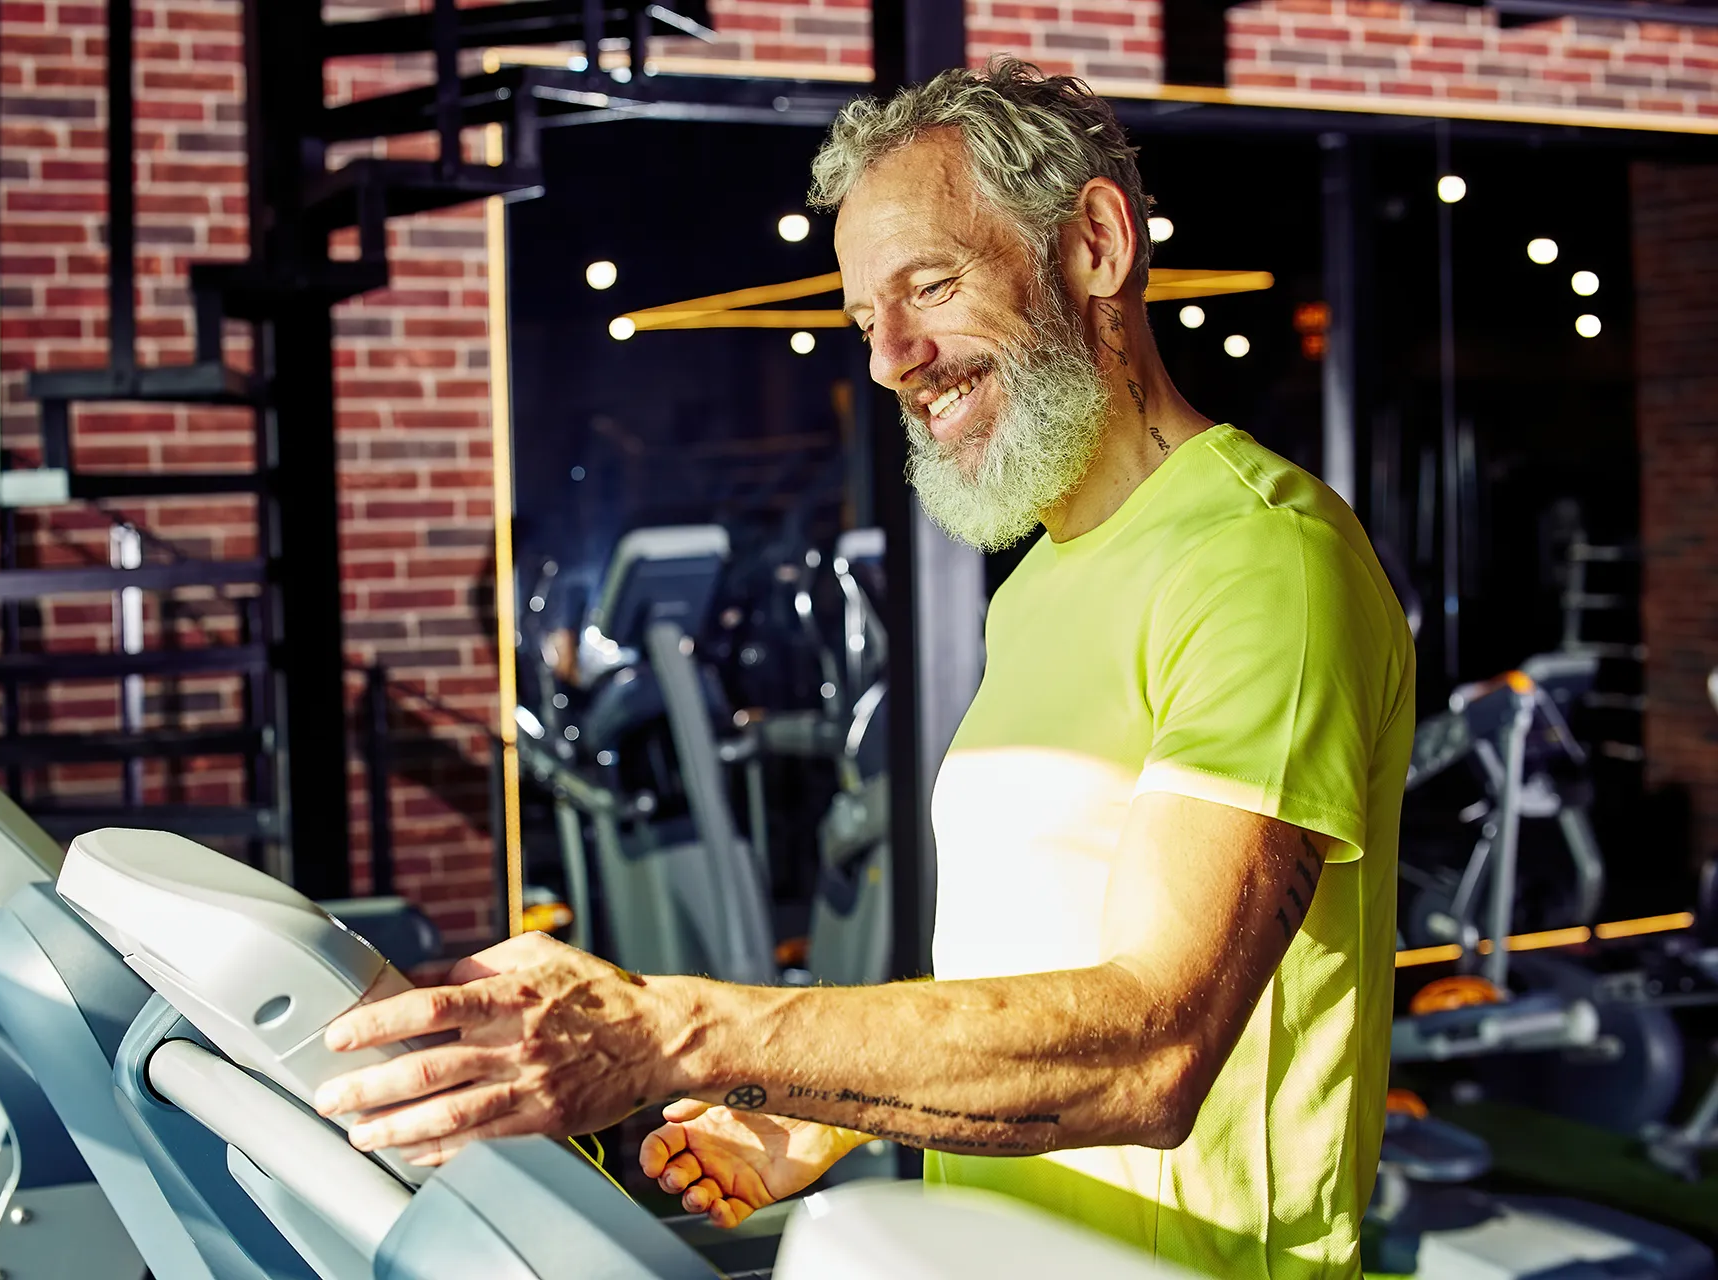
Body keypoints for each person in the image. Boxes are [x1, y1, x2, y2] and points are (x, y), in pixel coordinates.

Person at [311, 58, 1415, 1279]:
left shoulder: (1261, 561)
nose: (891, 357)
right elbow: (1036, 961)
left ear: (1097, 243)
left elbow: (1153, 1047)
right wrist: (823, 1099)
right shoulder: (1047, 576)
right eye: (863, 319)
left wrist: (683, 1027)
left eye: (931, 284)